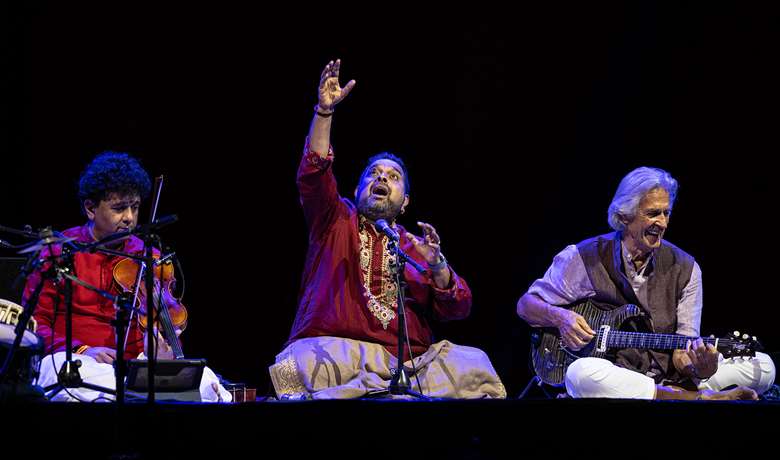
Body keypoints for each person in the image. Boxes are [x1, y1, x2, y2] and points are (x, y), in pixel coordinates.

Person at [268, 60, 505, 399]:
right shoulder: (334, 220)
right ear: (357, 188)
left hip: (407, 365)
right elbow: (314, 172)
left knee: (476, 363)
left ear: (405, 201)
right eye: (374, 173)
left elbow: (458, 308)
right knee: (300, 361)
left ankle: (375, 391)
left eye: (393, 177)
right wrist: (324, 112)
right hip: (337, 353)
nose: (381, 178)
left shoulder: (414, 247)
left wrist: (437, 266)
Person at [516, 166, 775, 400]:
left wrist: (700, 365)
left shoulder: (686, 268)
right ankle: (696, 399)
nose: (662, 223)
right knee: (580, 374)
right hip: (616, 372)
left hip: (667, 376)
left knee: (763, 366)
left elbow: (682, 353)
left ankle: (676, 395)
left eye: (666, 213)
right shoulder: (584, 257)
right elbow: (526, 306)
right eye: (653, 213)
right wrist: (561, 318)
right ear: (625, 215)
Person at [23, 152, 231, 402]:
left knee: (208, 384)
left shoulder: (150, 259)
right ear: (90, 208)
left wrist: (165, 353)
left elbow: (163, 327)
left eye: (135, 207)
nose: (130, 218)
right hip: (76, 360)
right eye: (119, 208)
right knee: (88, 383)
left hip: (135, 367)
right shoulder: (58, 252)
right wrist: (84, 350)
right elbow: (35, 326)